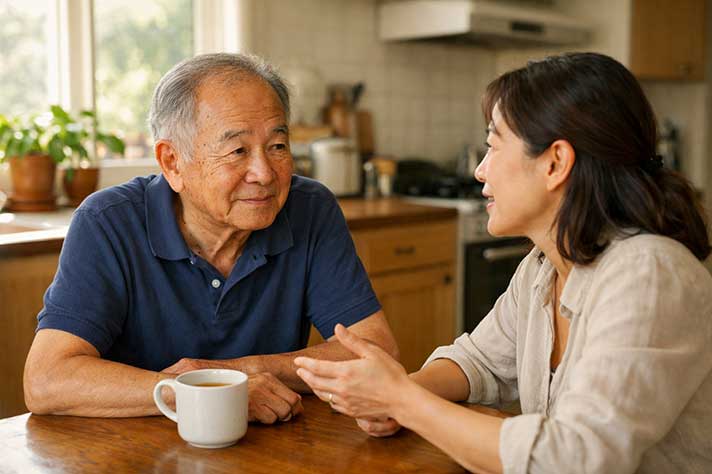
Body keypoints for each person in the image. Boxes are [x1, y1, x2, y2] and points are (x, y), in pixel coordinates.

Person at [294, 52, 712, 473]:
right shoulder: (542, 269)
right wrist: (396, 394)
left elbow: (574, 460)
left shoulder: (650, 277)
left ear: (555, 163)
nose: (479, 170)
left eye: (492, 146)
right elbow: (479, 361)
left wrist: (403, 400)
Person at [23, 53, 398, 424]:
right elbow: (47, 379)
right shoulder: (108, 221)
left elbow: (376, 352)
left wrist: (242, 370)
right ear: (172, 162)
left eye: (278, 146)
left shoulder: (309, 209)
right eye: (237, 151)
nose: (264, 173)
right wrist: (202, 391)